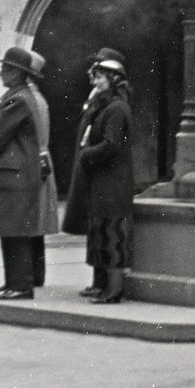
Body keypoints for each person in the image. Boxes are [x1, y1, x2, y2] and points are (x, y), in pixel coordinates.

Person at [62, 48, 134, 303]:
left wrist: (87, 153)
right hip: (103, 181)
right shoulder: (106, 106)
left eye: (100, 77)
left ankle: (114, 290)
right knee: (101, 231)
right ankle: (103, 286)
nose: (94, 81)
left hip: (113, 182)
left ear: (113, 79)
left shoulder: (117, 108)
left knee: (113, 233)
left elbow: (112, 144)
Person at [0, 48, 43, 301]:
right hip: (15, 173)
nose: (0, 73)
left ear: (17, 73)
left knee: (15, 231)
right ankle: (13, 282)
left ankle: (20, 285)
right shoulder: (18, 95)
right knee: (11, 230)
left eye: (5, 69)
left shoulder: (17, 99)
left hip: (15, 174)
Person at [26, 51, 57, 290]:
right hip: (40, 160)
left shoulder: (31, 99)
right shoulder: (38, 98)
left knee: (31, 221)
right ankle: (37, 273)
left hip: (34, 163)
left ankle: (33, 274)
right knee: (35, 223)